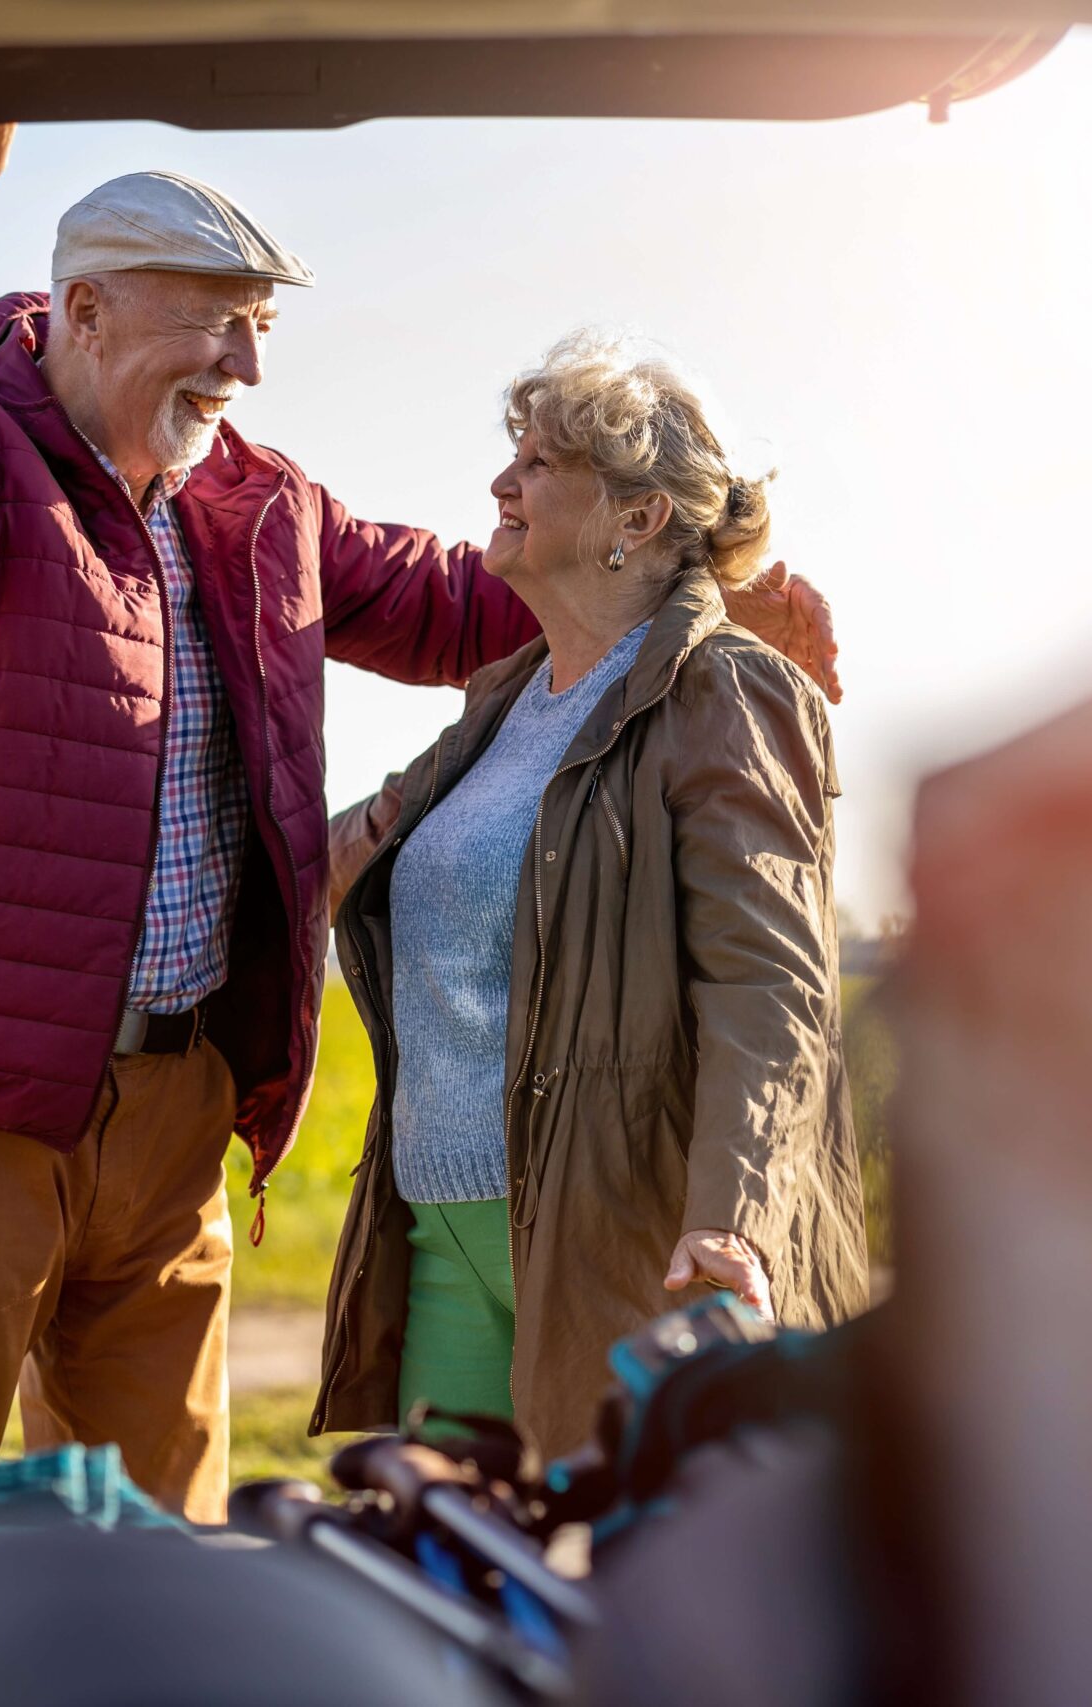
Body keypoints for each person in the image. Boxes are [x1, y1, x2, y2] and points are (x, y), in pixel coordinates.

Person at [0, 123, 841, 1521]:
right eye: (215, 327)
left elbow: (477, 602)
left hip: (177, 1122)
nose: (245, 367)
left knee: (164, 1546)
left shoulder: (265, 508)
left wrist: (703, 595)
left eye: (258, 331)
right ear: (86, 310)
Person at [312, 331, 871, 1457]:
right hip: (436, 1228)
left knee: (613, 1582)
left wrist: (737, 1216)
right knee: (447, 1569)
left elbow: (771, 988)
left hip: (625, 1231)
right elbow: (341, 858)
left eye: (538, 462)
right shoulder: (500, 701)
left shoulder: (727, 691)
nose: (499, 483)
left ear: (637, 518)